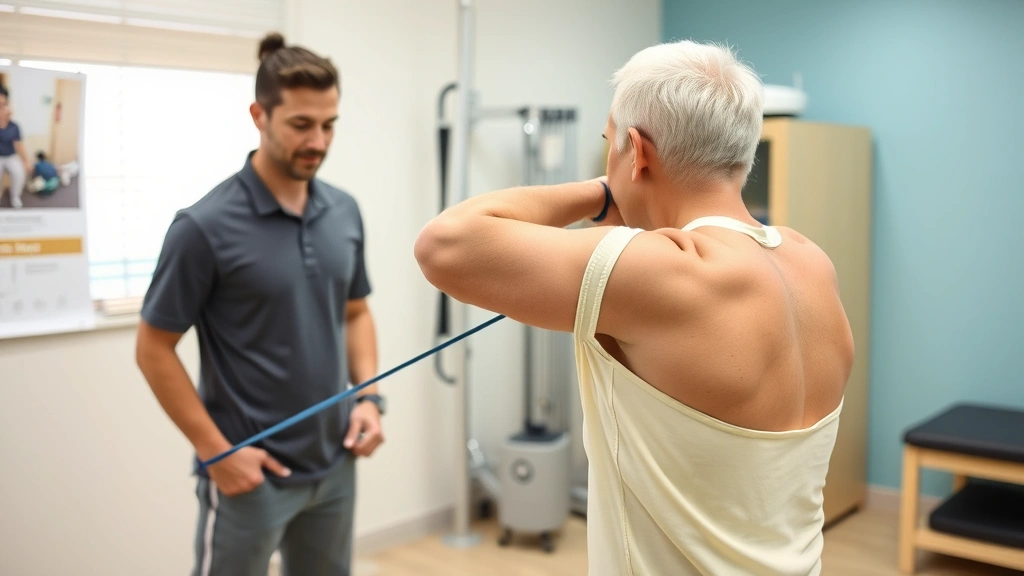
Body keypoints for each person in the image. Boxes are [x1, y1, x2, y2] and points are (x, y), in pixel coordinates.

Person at [414, 40, 854, 575]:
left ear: (638, 152)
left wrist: (600, 191)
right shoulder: (812, 262)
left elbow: (444, 245)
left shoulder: (662, 271)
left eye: (610, 145)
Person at [136, 33, 385, 576]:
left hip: (335, 465)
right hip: (251, 476)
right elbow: (153, 349)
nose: (317, 141)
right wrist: (216, 452)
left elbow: (355, 312)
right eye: (301, 125)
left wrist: (368, 397)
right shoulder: (202, 227)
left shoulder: (344, 211)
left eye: (329, 125)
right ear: (259, 115)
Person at [0, 91, 31, 209]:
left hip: (11, 156)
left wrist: (26, 161)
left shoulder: (14, 126)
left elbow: (19, 145)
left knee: (19, 173)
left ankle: (15, 197)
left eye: (4, 105)